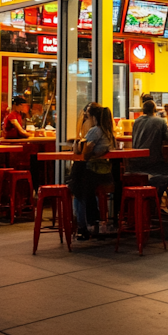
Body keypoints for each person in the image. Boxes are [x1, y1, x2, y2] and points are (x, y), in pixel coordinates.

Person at [69, 102, 116, 240]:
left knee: (77, 189)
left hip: (93, 173)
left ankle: (83, 226)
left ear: (93, 117)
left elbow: (83, 152)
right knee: (83, 187)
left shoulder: (95, 131)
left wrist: (78, 143)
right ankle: (95, 222)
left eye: (87, 116)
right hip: (106, 174)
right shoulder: (109, 132)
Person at [129, 99, 168, 197]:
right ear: (154, 110)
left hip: (134, 164)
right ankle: (156, 198)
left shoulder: (136, 121)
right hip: (153, 164)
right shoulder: (160, 121)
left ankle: (151, 198)